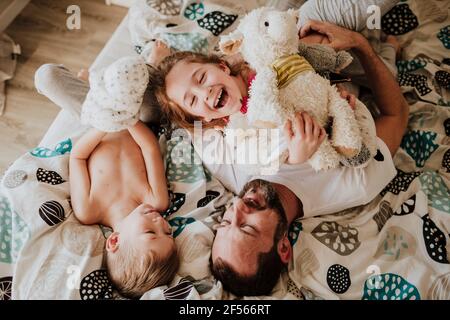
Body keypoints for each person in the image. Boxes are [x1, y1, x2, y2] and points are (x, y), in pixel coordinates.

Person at [36, 42, 179, 299]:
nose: (161, 223)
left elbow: (78, 157)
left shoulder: (88, 210)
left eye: (150, 232)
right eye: (168, 232)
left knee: (46, 77)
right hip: (139, 121)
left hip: (97, 123)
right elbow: (149, 149)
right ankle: (152, 63)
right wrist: (126, 116)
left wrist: (105, 120)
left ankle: (98, 87)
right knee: (157, 105)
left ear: (114, 241)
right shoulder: (155, 200)